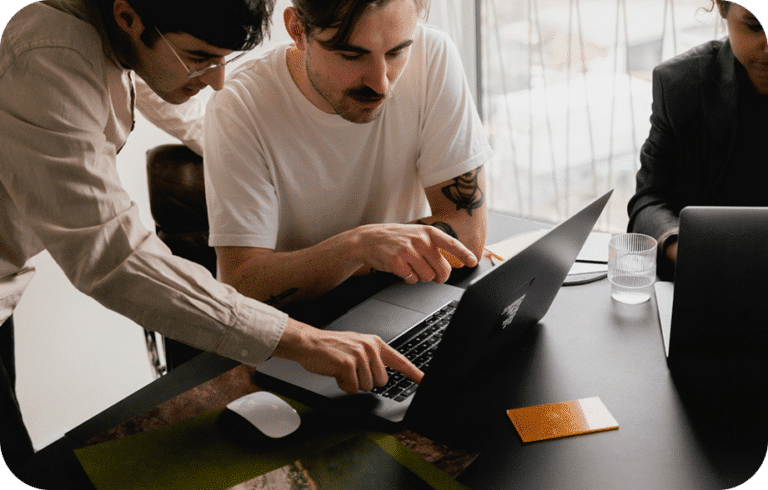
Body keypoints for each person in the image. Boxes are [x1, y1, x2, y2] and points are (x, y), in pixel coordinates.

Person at [0, 0, 422, 483]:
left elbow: (191, 111)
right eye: (201, 58)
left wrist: (256, 161)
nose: (218, 79)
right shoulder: (48, 58)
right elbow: (116, 260)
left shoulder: (129, 33)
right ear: (127, 16)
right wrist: (300, 340)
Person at [203, 0, 490, 309]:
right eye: (352, 55)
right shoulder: (239, 105)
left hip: (401, 297)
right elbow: (243, 286)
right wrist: (358, 248)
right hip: (300, 322)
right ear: (297, 30)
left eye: (396, 52)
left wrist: (367, 253)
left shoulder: (432, 55)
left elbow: (468, 234)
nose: (380, 83)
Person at [627, 0, 768, 280]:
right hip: (708, 283)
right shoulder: (681, 85)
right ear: (723, 8)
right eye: (754, 25)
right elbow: (649, 202)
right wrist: (689, 253)